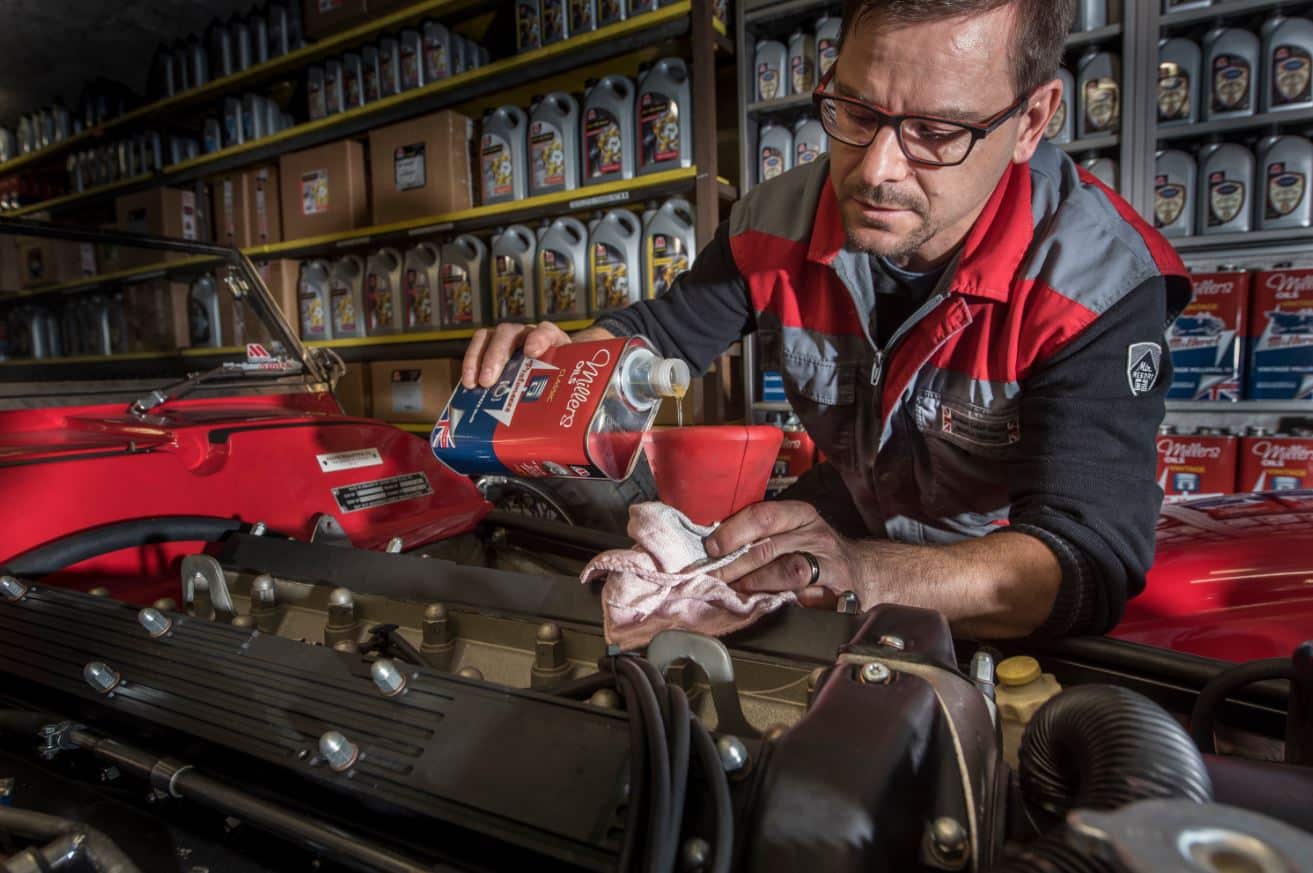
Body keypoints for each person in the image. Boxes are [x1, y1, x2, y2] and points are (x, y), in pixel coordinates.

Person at [462, 0, 1190, 639]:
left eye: (935, 132)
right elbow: (662, 333)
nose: (875, 169)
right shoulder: (774, 223)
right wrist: (561, 362)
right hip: (853, 505)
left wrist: (861, 573)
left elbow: (1081, 557)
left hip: (990, 559)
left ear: (1030, 120)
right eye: (857, 112)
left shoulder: (1099, 283)